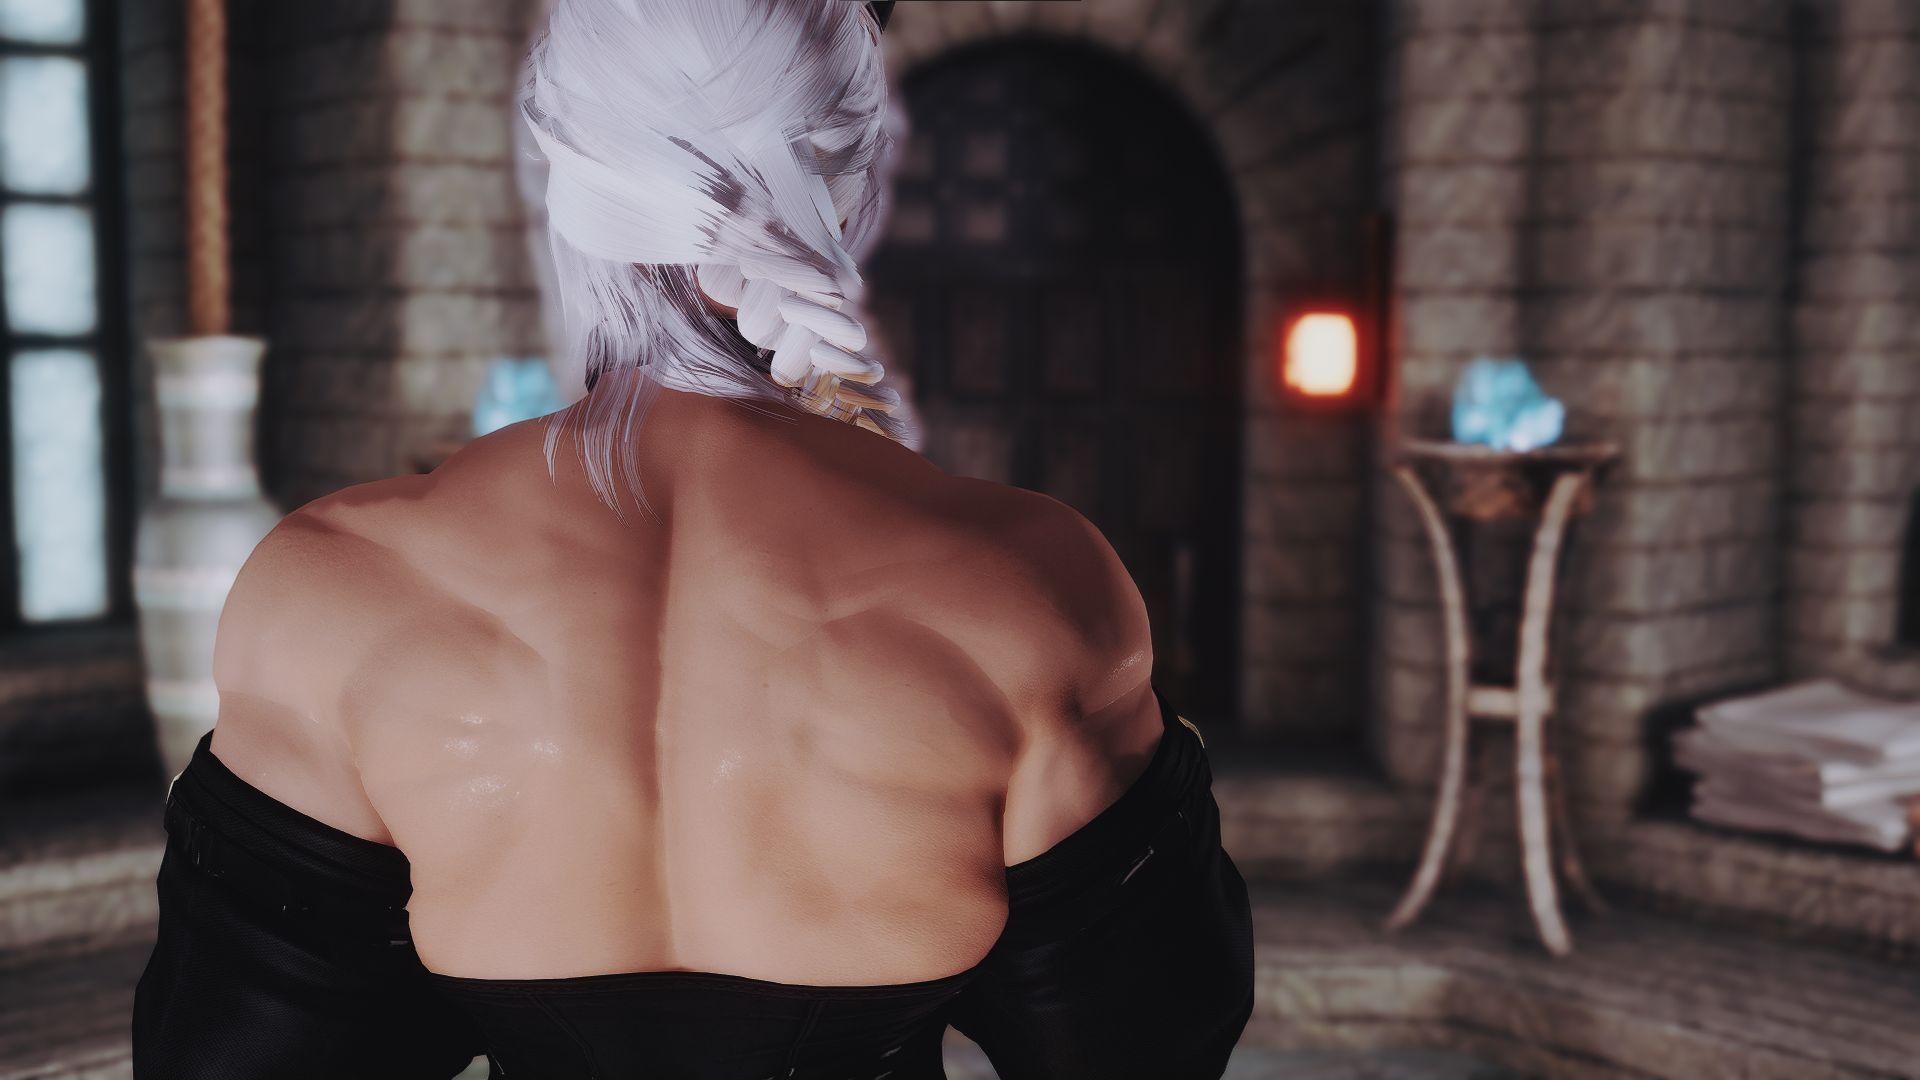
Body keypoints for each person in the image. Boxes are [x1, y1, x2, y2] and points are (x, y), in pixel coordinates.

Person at [132, 2, 1253, 1077]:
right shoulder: (1033, 589)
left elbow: (242, 1055)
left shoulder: (332, 589)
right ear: (850, 187)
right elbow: (1140, 1044)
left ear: (569, 184)